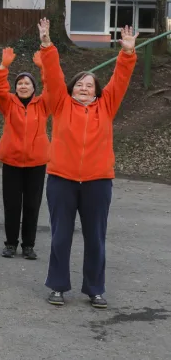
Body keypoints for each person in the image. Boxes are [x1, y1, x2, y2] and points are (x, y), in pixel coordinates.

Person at [38, 19, 137, 309]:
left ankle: (95, 289)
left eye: (89, 85)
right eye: (79, 84)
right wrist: (47, 45)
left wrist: (127, 53)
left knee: (95, 239)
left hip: (97, 182)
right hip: (62, 180)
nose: (84, 87)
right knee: (60, 238)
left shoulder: (106, 105)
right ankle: (57, 286)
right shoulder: (60, 104)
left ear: (96, 91)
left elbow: (120, 79)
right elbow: (54, 76)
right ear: (72, 89)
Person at [0, 47, 50, 260]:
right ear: (15, 88)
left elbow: (54, 88)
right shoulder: (8, 103)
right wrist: (3, 66)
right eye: (20, 83)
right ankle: (10, 243)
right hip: (12, 162)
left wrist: (44, 68)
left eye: (27, 83)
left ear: (34, 88)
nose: (23, 86)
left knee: (32, 205)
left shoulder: (43, 104)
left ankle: (28, 245)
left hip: (36, 163)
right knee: (12, 205)